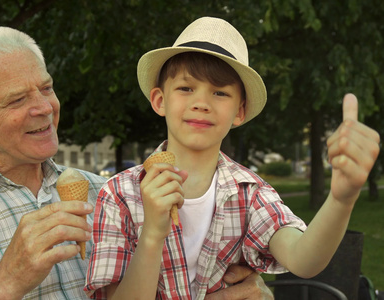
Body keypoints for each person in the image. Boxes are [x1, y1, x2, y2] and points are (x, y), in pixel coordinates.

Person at [0, 26, 274, 299]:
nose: (44, 108)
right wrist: (5, 284)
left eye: (46, 88)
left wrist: (253, 290)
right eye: (18, 100)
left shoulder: (106, 191)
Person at [85, 17, 380, 300]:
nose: (201, 103)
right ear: (160, 100)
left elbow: (303, 258)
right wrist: (151, 233)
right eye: (186, 88)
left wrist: (342, 199)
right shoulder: (119, 194)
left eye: (220, 93)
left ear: (239, 112)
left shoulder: (250, 193)